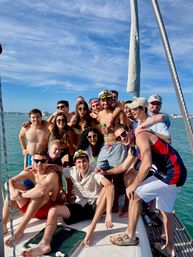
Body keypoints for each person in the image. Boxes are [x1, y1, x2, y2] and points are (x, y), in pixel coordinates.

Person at [21, 150, 114, 257]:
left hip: (96, 206)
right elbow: (57, 168)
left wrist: (108, 214)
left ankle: (91, 229)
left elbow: (110, 186)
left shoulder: (94, 173)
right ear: (75, 163)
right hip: (80, 206)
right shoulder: (72, 171)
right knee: (54, 210)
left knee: (105, 189)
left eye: (84, 161)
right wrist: (38, 166)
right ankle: (44, 244)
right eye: (79, 162)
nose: (82, 164)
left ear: (88, 162)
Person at [109, 129, 187, 257]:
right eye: (118, 138)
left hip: (172, 174)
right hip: (173, 175)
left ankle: (130, 235)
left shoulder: (140, 136)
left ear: (130, 131)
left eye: (123, 134)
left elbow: (146, 164)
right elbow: (123, 167)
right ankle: (170, 248)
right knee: (166, 211)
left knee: (135, 196)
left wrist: (133, 185)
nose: (122, 138)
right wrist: (105, 172)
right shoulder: (133, 148)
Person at [3, 152, 61, 247]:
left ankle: (19, 231)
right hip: (32, 208)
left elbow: (42, 191)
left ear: (47, 162)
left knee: (39, 194)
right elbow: (8, 183)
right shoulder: (30, 171)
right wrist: (13, 191)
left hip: (45, 210)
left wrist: (20, 195)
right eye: (36, 161)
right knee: (14, 186)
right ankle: (4, 225)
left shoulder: (51, 175)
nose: (39, 164)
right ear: (32, 161)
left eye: (42, 161)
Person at [97, 90, 128, 213]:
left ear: (112, 100)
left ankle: (115, 202)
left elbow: (125, 128)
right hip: (105, 145)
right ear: (100, 101)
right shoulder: (100, 113)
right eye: (103, 100)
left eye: (108, 99)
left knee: (117, 176)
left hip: (117, 145)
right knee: (99, 171)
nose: (105, 102)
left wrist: (113, 127)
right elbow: (102, 127)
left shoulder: (119, 112)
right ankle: (104, 197)